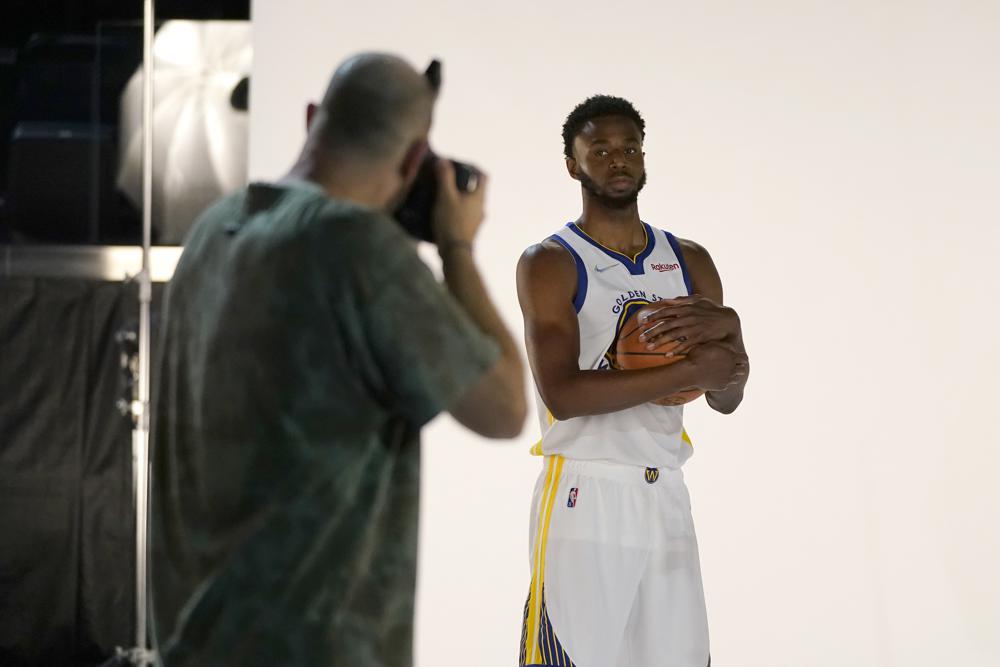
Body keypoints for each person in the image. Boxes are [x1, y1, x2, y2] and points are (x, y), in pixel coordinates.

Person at [149, 53, 526, 666]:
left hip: (195, 643)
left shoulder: (215, 229)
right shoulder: (357, 250)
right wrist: (456, 244)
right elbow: (505, 407)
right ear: (413, 162)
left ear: (309, 120)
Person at [516, 95, 749, 667]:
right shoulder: (551, 261)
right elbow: (563, 395)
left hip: (666, 488)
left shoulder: (689, 259)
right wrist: (689, 367)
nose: (618, 159)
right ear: (573, 164)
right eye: (600, 149)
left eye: (629, 148)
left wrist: (733, 339)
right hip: (585, 491)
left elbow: (726, 396)